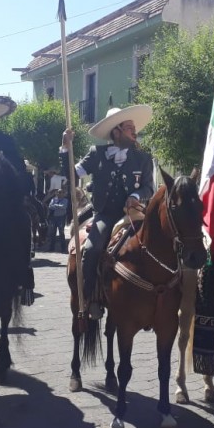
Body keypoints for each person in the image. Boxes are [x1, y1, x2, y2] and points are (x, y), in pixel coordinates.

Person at [61, 104, 155, 319]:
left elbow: (148, 186)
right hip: (106, 214)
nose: (134, 131)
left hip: (134, 213)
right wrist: (66, 148)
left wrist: (136, 196)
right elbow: (73, 174)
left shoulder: (143, 157)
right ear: (117, 131)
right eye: (129, 127)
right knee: (92, 249)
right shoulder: (97, 154)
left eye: (133, 127)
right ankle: (89, 297)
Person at [47, 188, 68, 253]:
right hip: (54, 218)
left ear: (63, 194)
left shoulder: (65, 200)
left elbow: (64, 207)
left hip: (61, 218)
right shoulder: (53, 199)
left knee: (61, 233)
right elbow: (50, 206)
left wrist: (55, 205)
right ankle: (51, 248)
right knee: (52, 233)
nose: (59, 194)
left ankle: (63, 248)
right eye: (58, 192)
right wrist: (58, 206)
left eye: (60, 192)